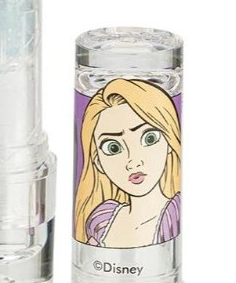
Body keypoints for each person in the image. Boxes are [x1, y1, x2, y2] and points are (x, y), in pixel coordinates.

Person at [74, 79, 181, 248]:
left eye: (149, 138)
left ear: (169, 141)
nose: (133, 162)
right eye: (113, 148)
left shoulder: (174, 217)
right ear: (98, 162)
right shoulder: (103, 219)